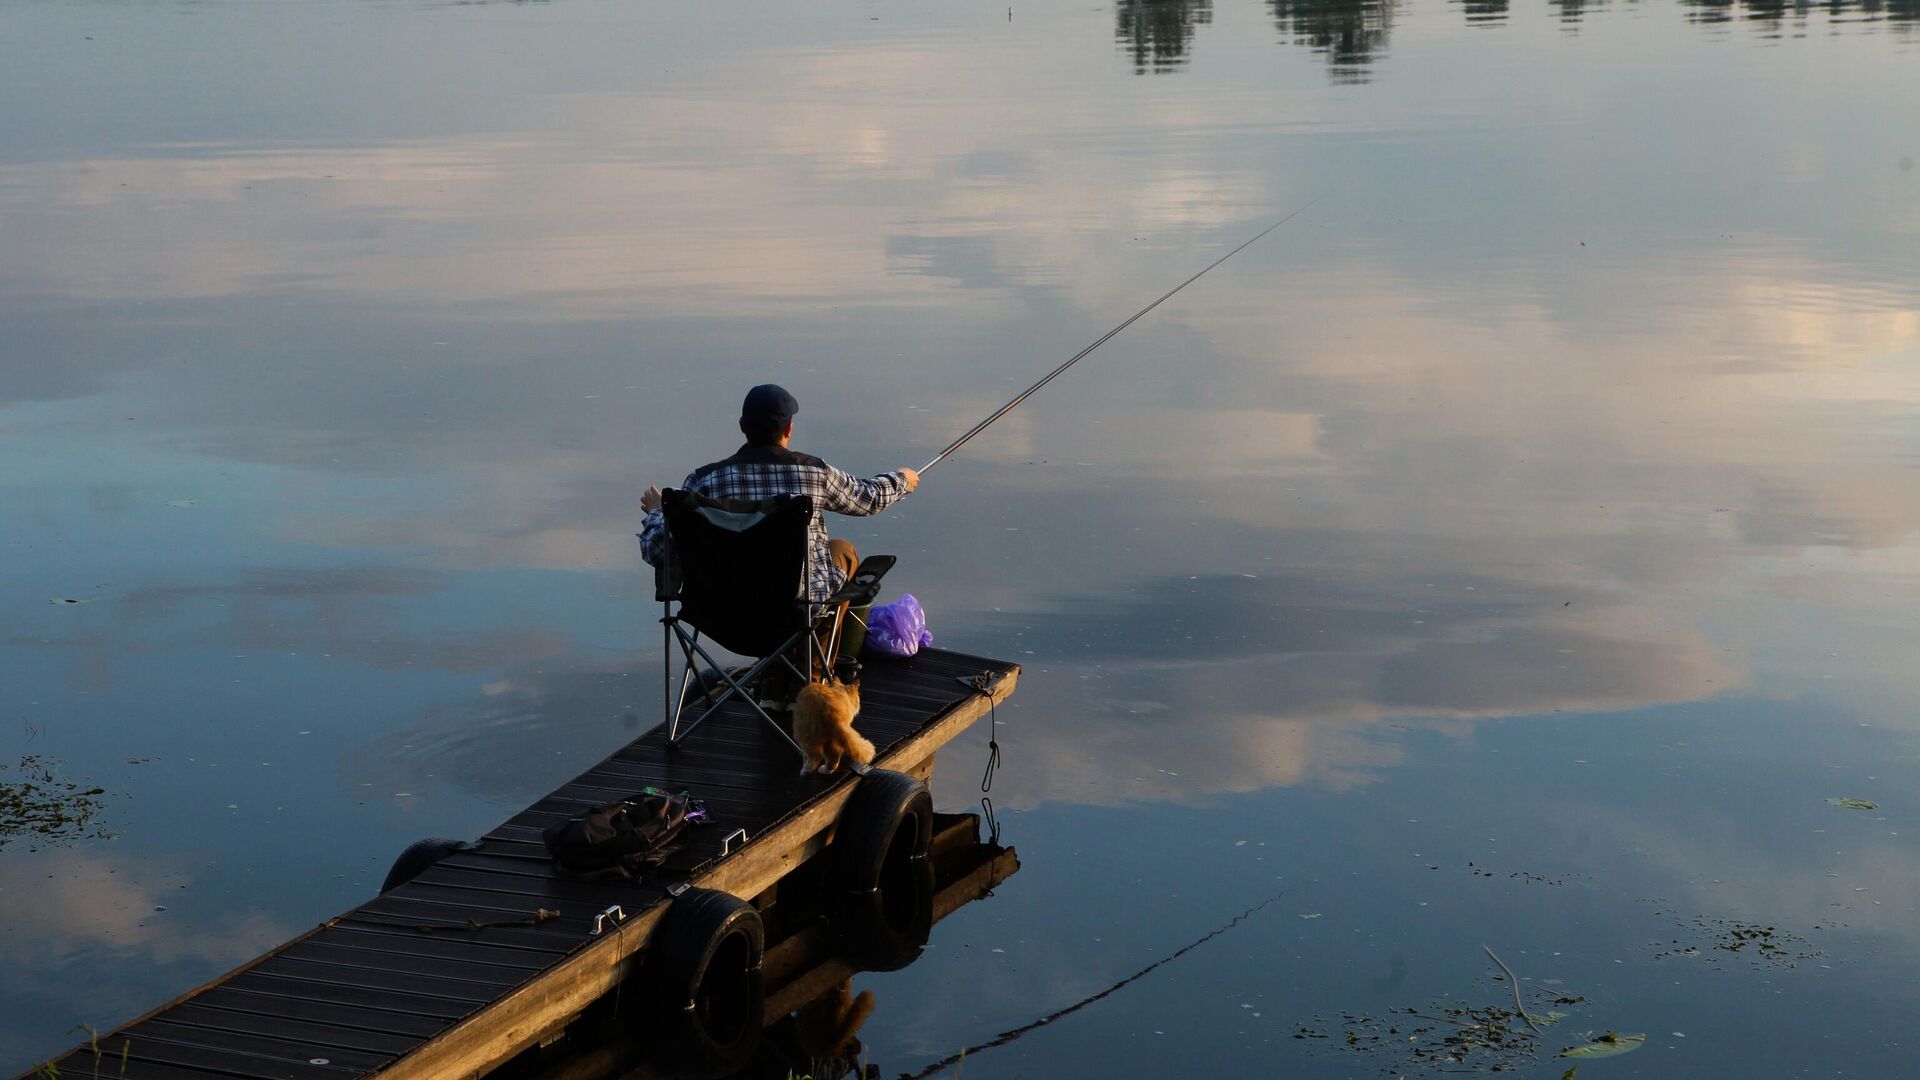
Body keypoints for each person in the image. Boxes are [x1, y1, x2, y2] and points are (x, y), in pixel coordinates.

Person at [638, 384, 920, 700]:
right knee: (843, 552)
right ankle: (809, 679)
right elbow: (867, 499)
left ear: (742, 427)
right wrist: (903, 479)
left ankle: (778, 680)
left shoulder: (703, 482)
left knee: (788, 575)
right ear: (788, 429)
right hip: (791, 616)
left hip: (721, 614)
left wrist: (657, 513)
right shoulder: (813, 473)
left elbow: (657, 549)